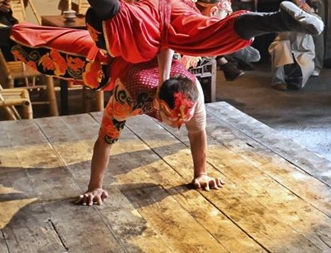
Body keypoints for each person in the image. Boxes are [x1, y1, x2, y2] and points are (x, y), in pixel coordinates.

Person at [0, 0, 323, 89]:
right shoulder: (196, 22)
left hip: (122, 29)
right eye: (223, 8)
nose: (224, 12)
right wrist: (166, 77)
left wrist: (136, 6)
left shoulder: (178, 3)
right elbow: (176, 44)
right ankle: (278, 19)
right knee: (215, 36)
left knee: (40, 35)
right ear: (214, 6)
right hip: (118, 49)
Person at [75, 59, 223, 206]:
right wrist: (94, 187)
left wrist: (201, 174)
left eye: (185, 119)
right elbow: (105, 141)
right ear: (159, 104)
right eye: (175, 119)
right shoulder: (127, 97)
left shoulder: (195, 92)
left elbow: (197, 132)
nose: (179, 126)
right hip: (131, 67)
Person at [269, 0, 320, 91]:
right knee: (281, 47)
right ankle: (278, 81)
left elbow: (318, 27)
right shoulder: (284, 8)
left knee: (307, 65)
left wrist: (309, 14)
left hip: (303, 48)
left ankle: (296, 79)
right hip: (285, 43)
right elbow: (278, 28)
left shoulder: (310, 10)